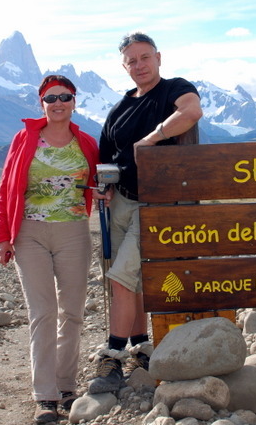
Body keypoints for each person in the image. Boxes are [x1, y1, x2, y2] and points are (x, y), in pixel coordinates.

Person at [88, 32, 203, 394]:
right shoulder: (119, 110)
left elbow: (191, 112)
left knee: (122, 277)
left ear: (158, 57)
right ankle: (141, 346)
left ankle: (113, 355)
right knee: (129, 281)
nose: (139, 65)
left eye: (144, 57)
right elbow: (107, 157)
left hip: (157, 206)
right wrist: (105, 184)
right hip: (121, 201)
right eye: (131, 61)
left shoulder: (174, 89)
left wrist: (152, 140)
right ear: (124, 66)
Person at [0, 74, 99, 423]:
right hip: (30, 234)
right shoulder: (24, 140)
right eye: (50, 97)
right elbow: (5, 188)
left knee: (72, 311)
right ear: (41, 103)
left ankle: (67, 386)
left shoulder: (85, 142)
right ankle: (45, 395)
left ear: (74, 101)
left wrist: (102, 193)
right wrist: (2, 236)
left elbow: (98, 183)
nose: (57, 103)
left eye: (64, 97)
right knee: (42, 312)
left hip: (73, 232)